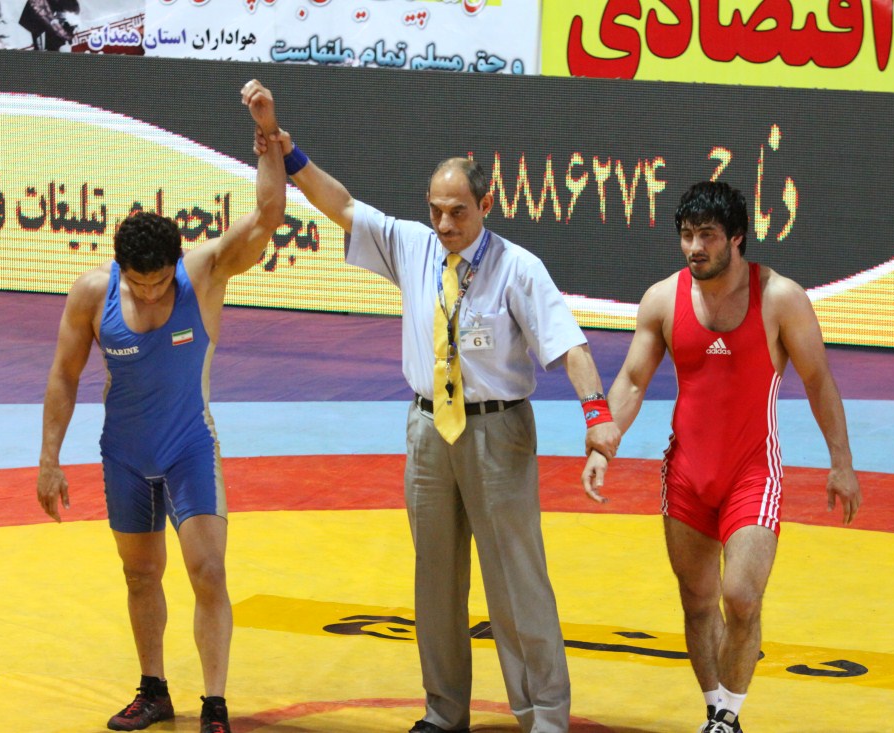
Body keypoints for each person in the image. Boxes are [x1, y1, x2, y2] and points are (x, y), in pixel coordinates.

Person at [254, 84, 620, 733]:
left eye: (458, 212)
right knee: (435, 580)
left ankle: (544, 714)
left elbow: (571, 347)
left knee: (516, 578)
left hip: (497, 433)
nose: (445, 224)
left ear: (485, 205)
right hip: (427, 429)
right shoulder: (413, 246)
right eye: (436, 211)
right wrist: (287, 151)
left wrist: (598, 418)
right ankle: (444, 711)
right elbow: (342, 206)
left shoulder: (518, 268)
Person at [36, 80, 285, 733]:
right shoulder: (92, 294)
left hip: (187, 449)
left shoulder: (203, 272)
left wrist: (267, 135)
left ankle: (215, 703)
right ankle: (153, 689)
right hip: (124, 455)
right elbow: (63, 376)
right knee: (140, 574)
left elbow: (266, 217)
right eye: (137, 284)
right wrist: (48, 459)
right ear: (119, 268)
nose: (149, 295)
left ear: (175, 263)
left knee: (208, 570)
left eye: (158, 283)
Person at [581, 181, 862, 732]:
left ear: (736, 238)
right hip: (687, 473)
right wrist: (601, 445)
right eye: (687, 235)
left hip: (751, 472)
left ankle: (729, 714)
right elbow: (633, 381)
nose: (694, 248)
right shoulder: (663, 299)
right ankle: (717, 713)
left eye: (707, 235)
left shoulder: (780, 298)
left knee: (741, 597)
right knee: (697, 601)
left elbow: (819, 381)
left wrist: (842, 463)